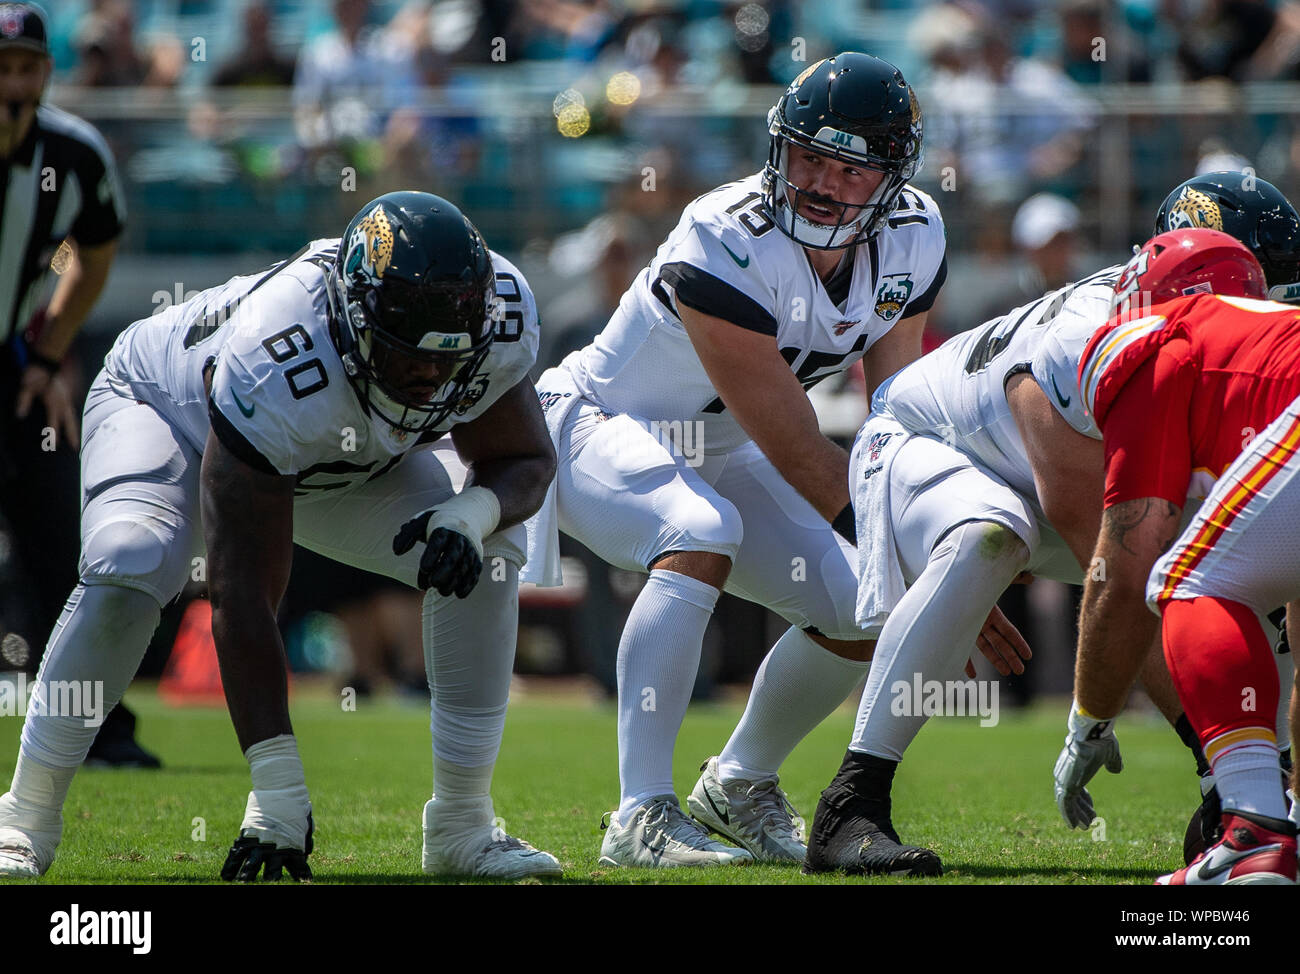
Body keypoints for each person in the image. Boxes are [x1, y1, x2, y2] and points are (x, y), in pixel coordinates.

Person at [0, 191, 561, 881]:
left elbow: (525, 460)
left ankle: (463, 824)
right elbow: (242, 595)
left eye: (448, 362)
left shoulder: (497, 314)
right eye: (408, 358)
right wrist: (277, 794)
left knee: (492, 549)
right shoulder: (277, 358)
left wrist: (469, 516)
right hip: (172, 412)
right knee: (132, 559)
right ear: (355, 320)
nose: (430, 379)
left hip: (332, 453)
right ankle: (22, 815)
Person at [527, 52, 986, 867]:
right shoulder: (723, 233)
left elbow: (895, 421)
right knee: (699, 527)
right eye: (807, 155)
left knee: (863, 611)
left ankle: (738, 781)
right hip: (598, 422)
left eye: (848, 168)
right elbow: (796, 442)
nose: (819, 181)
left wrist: (949, 552)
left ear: (890, 179)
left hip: (724, 444)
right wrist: (919, 558)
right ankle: (640, 812)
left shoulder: (915, 235)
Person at [802, 173, 1300, 875]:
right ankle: (852, 800)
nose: (1270, 309)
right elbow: (1119, 581)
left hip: (1032, 469)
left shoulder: (1167, 328)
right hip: (922, 439)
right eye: (1261, 285)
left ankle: (1255, 805)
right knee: (987, 536)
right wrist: (1121, 725)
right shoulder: (1088, 348)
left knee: (1234, 577)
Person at [1059, 228, 1300, 883]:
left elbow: (1129, 560)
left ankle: (1253, 826)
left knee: (1190, 579)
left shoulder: (1157, 338)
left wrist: (1090, 717)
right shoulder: (1267, 337)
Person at [0, 1, 158, 768]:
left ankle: (89, 726)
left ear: (46, 73)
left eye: (25, 68)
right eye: (0, 70)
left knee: (59, 541)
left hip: (14, 367)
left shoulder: (73, 153)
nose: (12, 86)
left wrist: (48, 350)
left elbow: (95, 253)